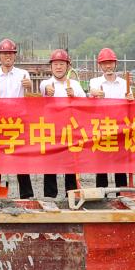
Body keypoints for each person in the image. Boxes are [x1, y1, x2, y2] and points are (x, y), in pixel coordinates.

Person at [0, 38, 35, 199]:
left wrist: (29, 86)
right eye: (4, 53)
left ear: (15, 55)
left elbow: (31, 98)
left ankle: (26, 194)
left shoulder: (23, 74)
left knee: (21, 160)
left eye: (10, 53)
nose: (8, 56)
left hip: (17, 123)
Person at [39, 49, 86, 198]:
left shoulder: (75, 85)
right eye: (55, 64)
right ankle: (49, 196)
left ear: (67, 66)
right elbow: (42, 90)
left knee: (70, 165)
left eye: (61, 64)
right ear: (51, 67)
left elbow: (86, 105)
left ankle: (71, 194)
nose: (58, 67)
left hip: (70, 131)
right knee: (50, 165)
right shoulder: (46, 83)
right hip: (51, 131)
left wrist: (75, 96)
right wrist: (47, 91)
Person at [88, 47, 133, 189]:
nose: (108, 66)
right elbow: (90, 95)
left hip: (120, 128)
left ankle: (121, 194)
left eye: (110, 62)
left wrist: (130, 99)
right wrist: (94, 94)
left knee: (120, 164)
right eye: (104, 63)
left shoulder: (124, 83)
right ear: (100, 65)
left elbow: (130, 104)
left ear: (115, 63)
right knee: (102, 165)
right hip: (102, 127)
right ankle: (102, 194)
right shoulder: (95, 82)